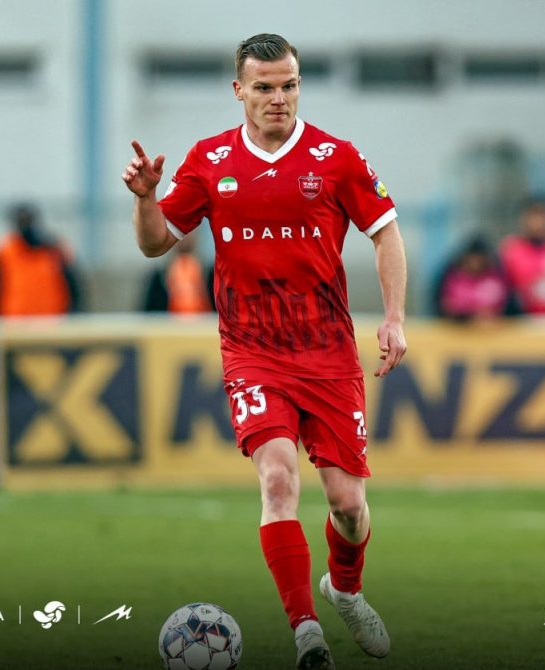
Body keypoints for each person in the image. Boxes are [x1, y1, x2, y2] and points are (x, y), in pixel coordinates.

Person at [121, 34, 405, 670]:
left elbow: (386, 233)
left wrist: (393, 318)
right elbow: (155, 243)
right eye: (265, 87)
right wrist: (145, 199)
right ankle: (307, 634)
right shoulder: (210, 159)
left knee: (348, 505)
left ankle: (345, 590)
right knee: (278, 480)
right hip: (253, 350)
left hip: (327, 351)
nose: (279, 98)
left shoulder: (336, 157)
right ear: (239, 91)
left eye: (290, 85)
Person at [0, 203, 83, 317]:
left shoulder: (54, 249)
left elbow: (74, 287)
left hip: (52, 320)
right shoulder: (3, 251)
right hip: (14, 321)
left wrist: (73, 315)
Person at [498, 195, 545, 315]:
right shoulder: (510, 252)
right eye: (534, 214)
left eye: (544, 215)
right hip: (520, 323)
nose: (539, 221)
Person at [434, 236, 511, 322]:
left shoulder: (496, 278)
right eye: (472, 258)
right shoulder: (452, 278)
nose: (475, 263)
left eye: (479, 258)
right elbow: (446, 306)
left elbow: (503, 306)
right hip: (456, 327)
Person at [141, 231, 215, 313]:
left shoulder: (211, 275)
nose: (184, 237)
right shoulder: (158, 277)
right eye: (179, 231)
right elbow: (149, 313)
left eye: (189, 231)